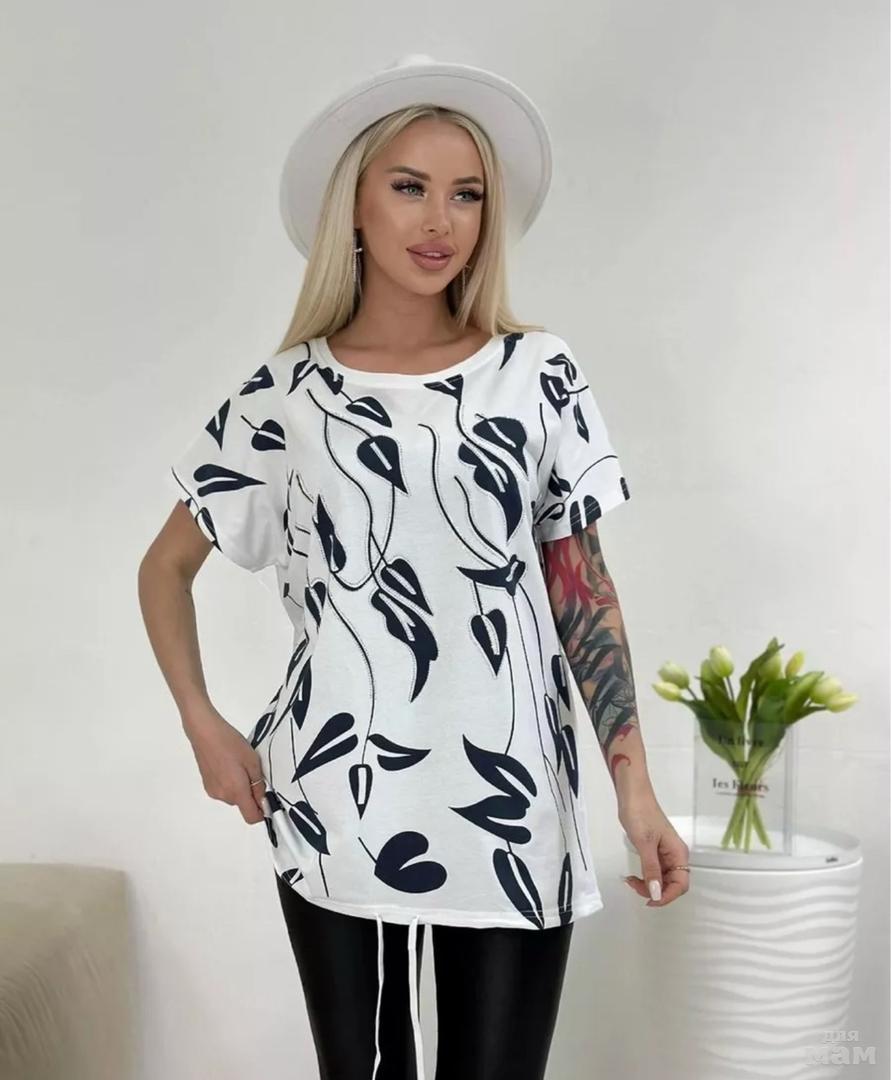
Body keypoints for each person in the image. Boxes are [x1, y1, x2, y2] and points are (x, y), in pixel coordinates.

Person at [138, 54, 690, 1080]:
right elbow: (164, 568)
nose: (441, 221)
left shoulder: (537, 374)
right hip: (341, 795)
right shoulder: (285, 397)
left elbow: (582, 594)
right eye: (409, 187)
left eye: (467, 194)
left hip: (514, 802)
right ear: (352, 204)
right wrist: (202, 724)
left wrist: (636, 791)